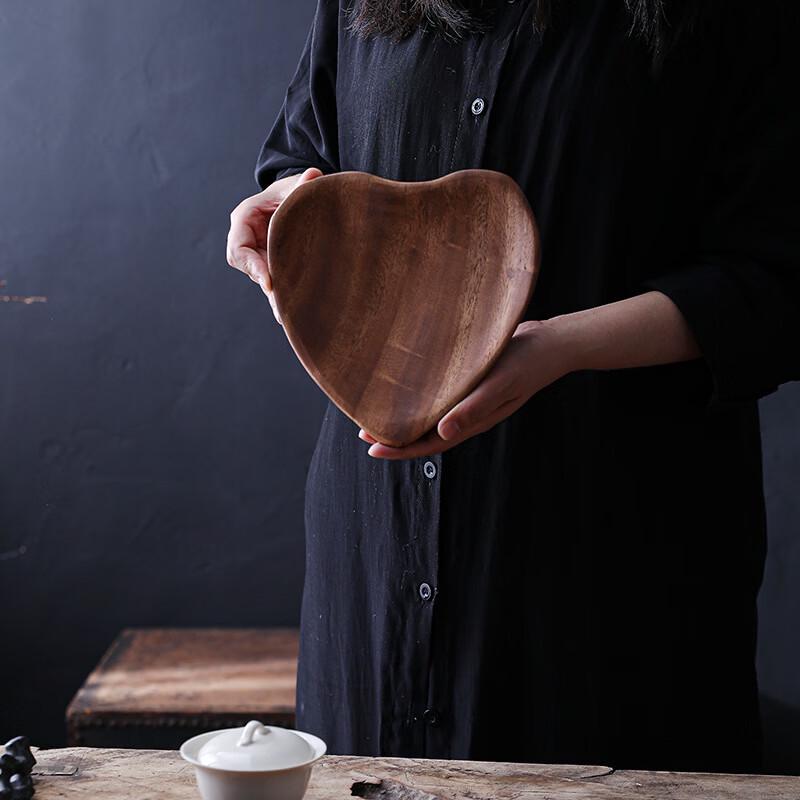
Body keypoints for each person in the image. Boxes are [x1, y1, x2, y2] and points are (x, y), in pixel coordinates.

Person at [226, 0, 800, 773]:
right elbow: (300, 159)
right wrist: (276, 214)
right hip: (373, 549)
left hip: (609, 560)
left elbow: (778, 279)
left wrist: (559, 347)